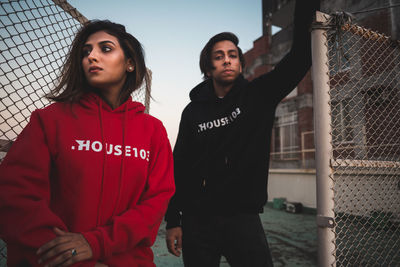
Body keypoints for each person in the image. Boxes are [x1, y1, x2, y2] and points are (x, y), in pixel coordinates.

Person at [0, 20, 175, 267]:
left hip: (128, 261)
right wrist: (73, 258)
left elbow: (156, 200)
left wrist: (96, 243)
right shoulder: (50, 120)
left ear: (130, 63)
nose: (91, 56)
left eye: (105, 48)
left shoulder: (153, 130)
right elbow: (14, 196)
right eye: (86, 51)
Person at [164, 1, 319, 266]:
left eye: (233, 54)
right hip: (198, 220)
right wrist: (173, 221)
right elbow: (180, 166)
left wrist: (306, 5)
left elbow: (302, 56)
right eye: (219, 56)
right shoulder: (192, 112)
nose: (227, 59)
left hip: (243, 219)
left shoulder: (259, 95)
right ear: (208, 67)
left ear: (240, 63)